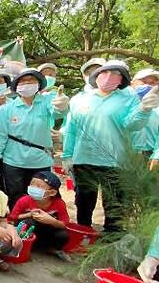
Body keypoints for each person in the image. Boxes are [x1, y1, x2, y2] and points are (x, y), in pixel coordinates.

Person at [62, 60, 159, 232]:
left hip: (115, 161)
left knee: (114, 204)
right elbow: (72, 129)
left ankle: (111, 239)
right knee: (84, 200)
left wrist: (144, 109)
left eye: (116, 74)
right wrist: (67, 155)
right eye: (105, 73)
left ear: (122, 80)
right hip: (83, 159)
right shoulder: (80, 100)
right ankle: (83, 232)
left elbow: (132, 125)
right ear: (96, 76)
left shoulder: (128, 98)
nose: (109, 77)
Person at [0, 68, 69, 208]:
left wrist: (62, 105)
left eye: (31, 80)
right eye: (23, 81)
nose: (27, 84)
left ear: (38, 84)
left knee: (40, 195)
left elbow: (57, 112)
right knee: (15, 196)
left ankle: (39, 223)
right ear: (16, 86)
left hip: (40, 160)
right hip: (13, 161)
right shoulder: (8, 108)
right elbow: (1, 133)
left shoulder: (46, 101)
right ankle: (18, 224)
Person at [9, 171, 71, 261]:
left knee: (63, 235)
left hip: (47, 231)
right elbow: (12, 218)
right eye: (32, 184)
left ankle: (52, 249)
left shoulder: (59, 204)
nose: (34, 188)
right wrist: (29, 214)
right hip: (30, 230)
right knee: (29, 222)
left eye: (39, 186)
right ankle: (27, 245)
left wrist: (51, 220)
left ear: (52, 192)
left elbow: (64, 224)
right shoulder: (24, 200)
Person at [131, 69, 159, 167]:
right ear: (132, 84)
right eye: (144, 82)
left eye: (152, 83)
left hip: (150, 156)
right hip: (125, 154)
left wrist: (156, 157)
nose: (148, 86)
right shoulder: (124, 104)